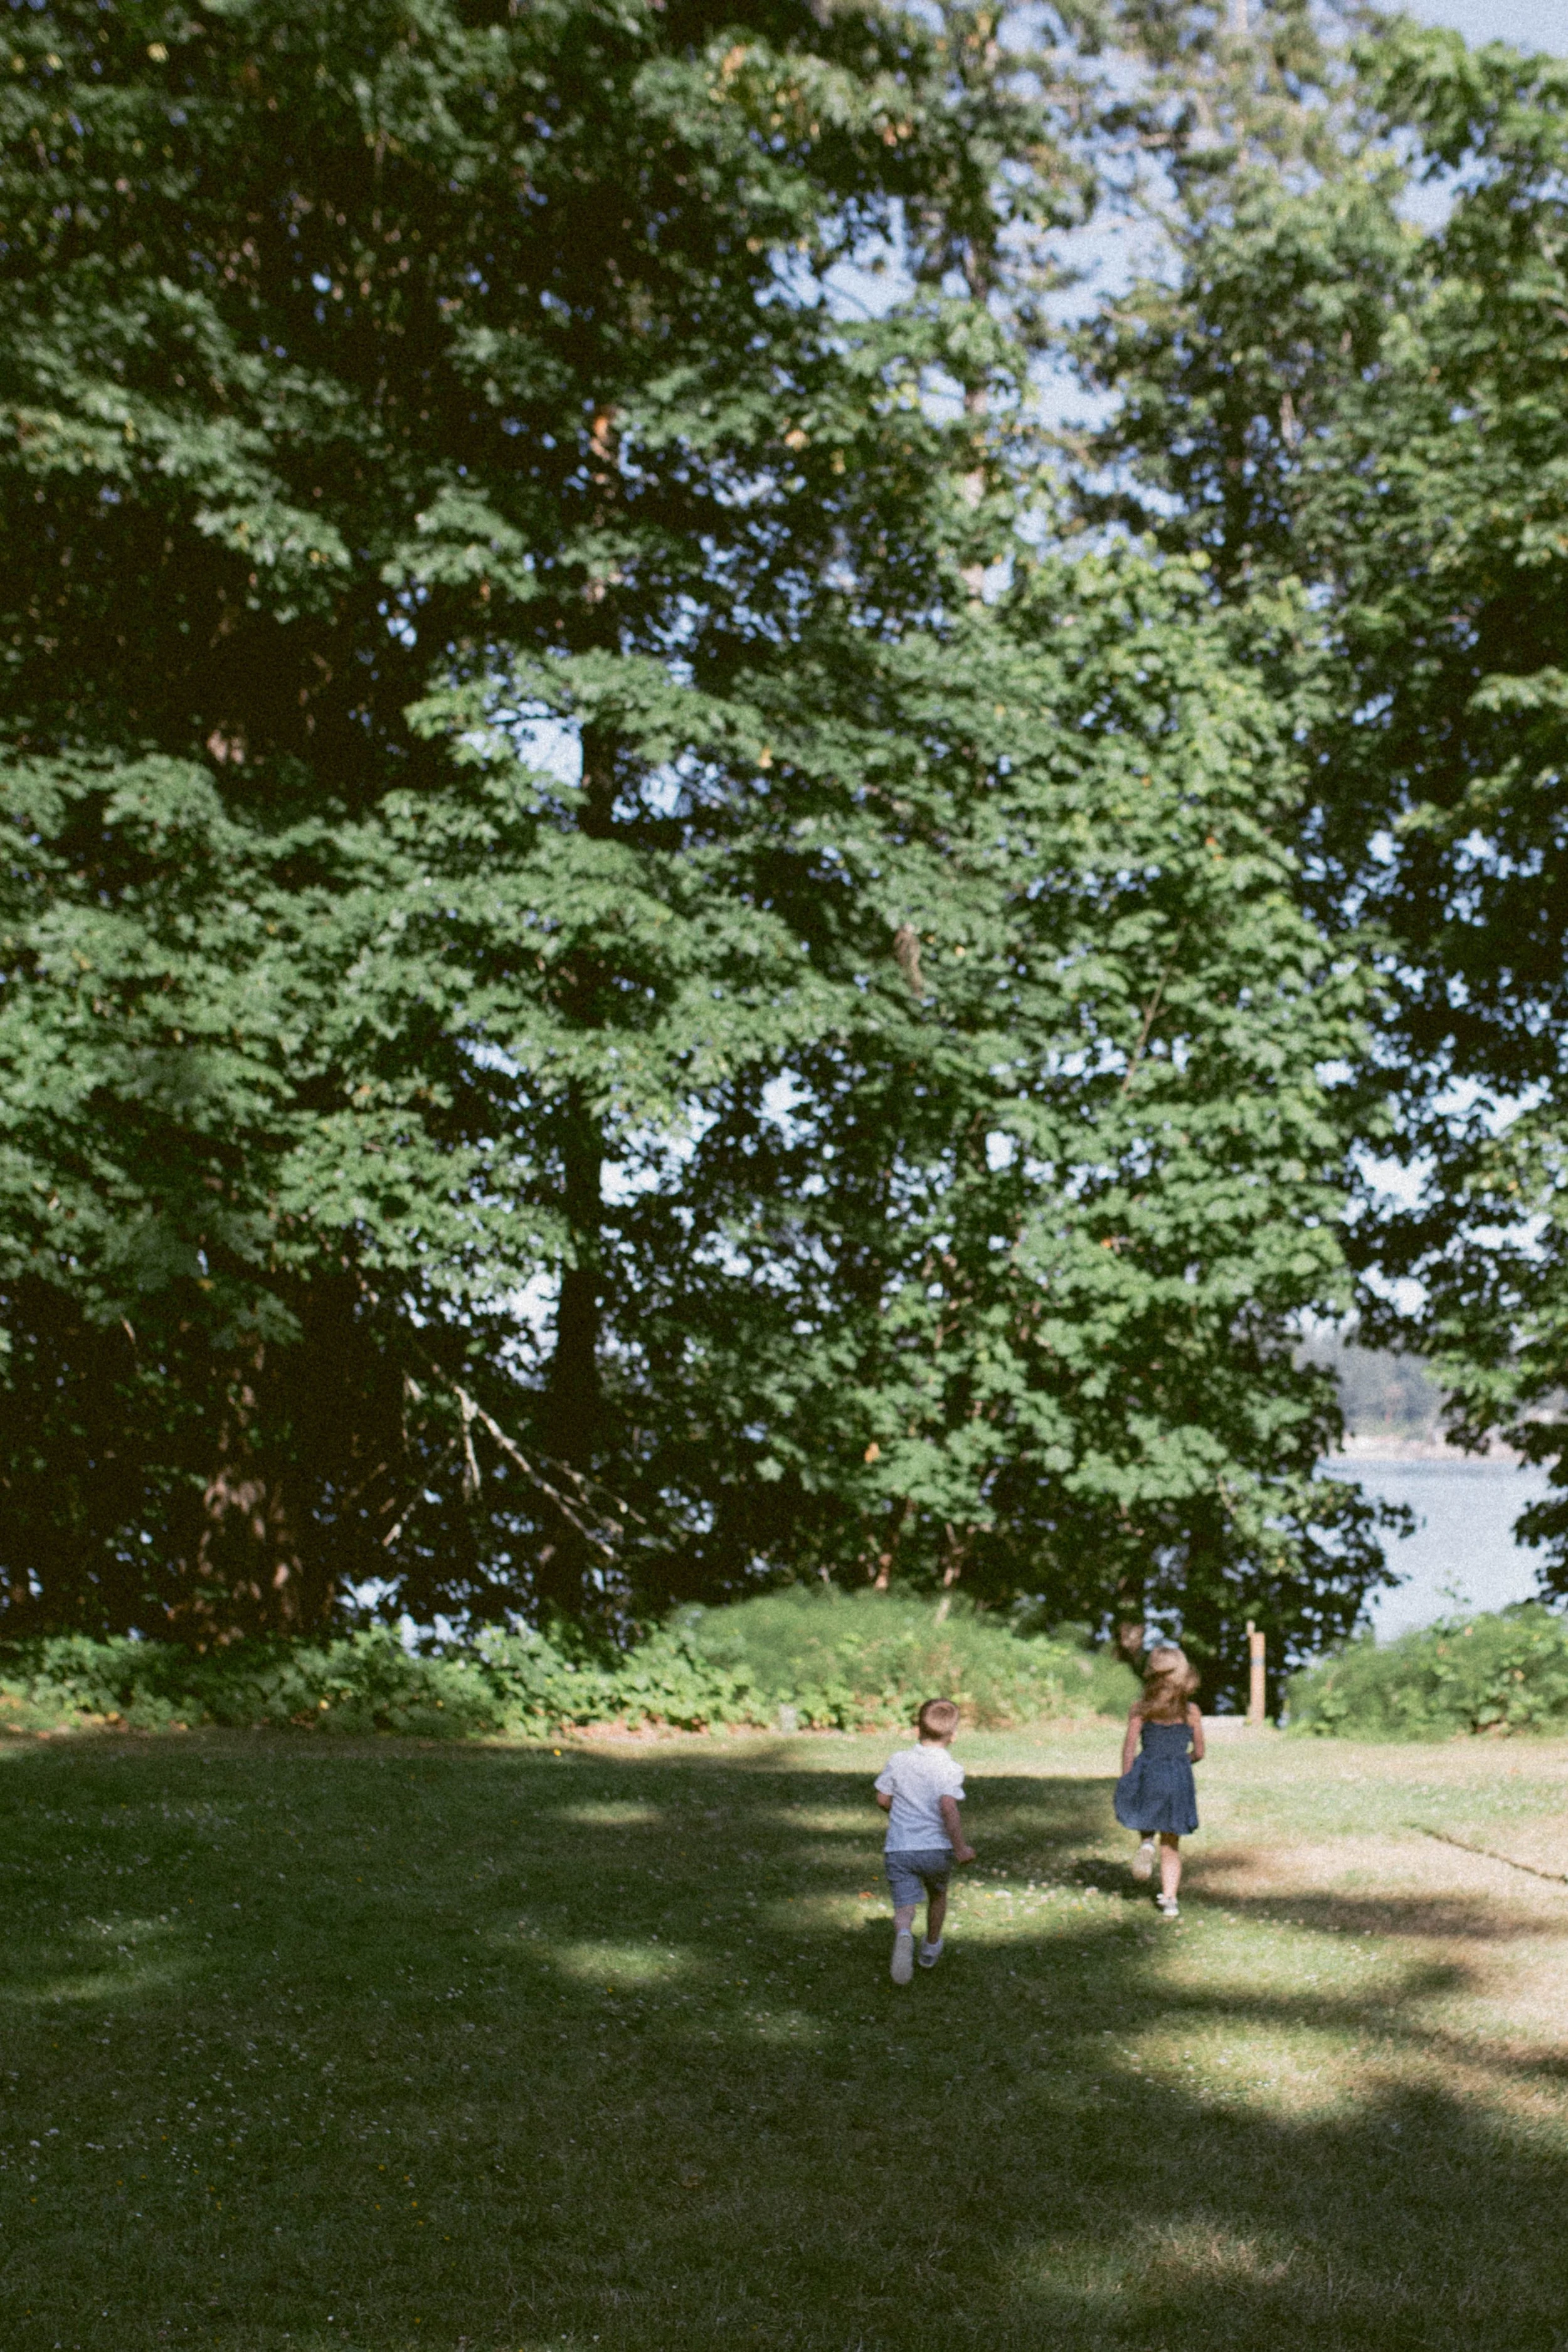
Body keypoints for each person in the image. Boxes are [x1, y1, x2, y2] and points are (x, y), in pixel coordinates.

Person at [874, 1696, 975, 1984]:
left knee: (904, 1906)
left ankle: (904, 1932)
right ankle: (930, 1947)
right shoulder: (950, 1768)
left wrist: (902, 1813)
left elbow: (883, 1799)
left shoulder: (898, 1760)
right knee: (938, 1895)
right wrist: (960, 1848)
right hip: (936, 1850)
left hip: (900, 1849)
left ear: (917, 1729)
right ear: (953, 1736)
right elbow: (948, 1807)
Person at [1115, 1643, 1204, 1917]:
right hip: (1177, 1777)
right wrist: (1179, 1762)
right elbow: (1199, 1753)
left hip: (1149, 1770)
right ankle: (1170, 1900)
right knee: (1172, 1843)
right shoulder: (1191, 1712)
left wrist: (1128, 1776)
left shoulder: (1140, 1709)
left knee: (1145, 1813)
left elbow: (1129, 1747)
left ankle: (1145, 1843)